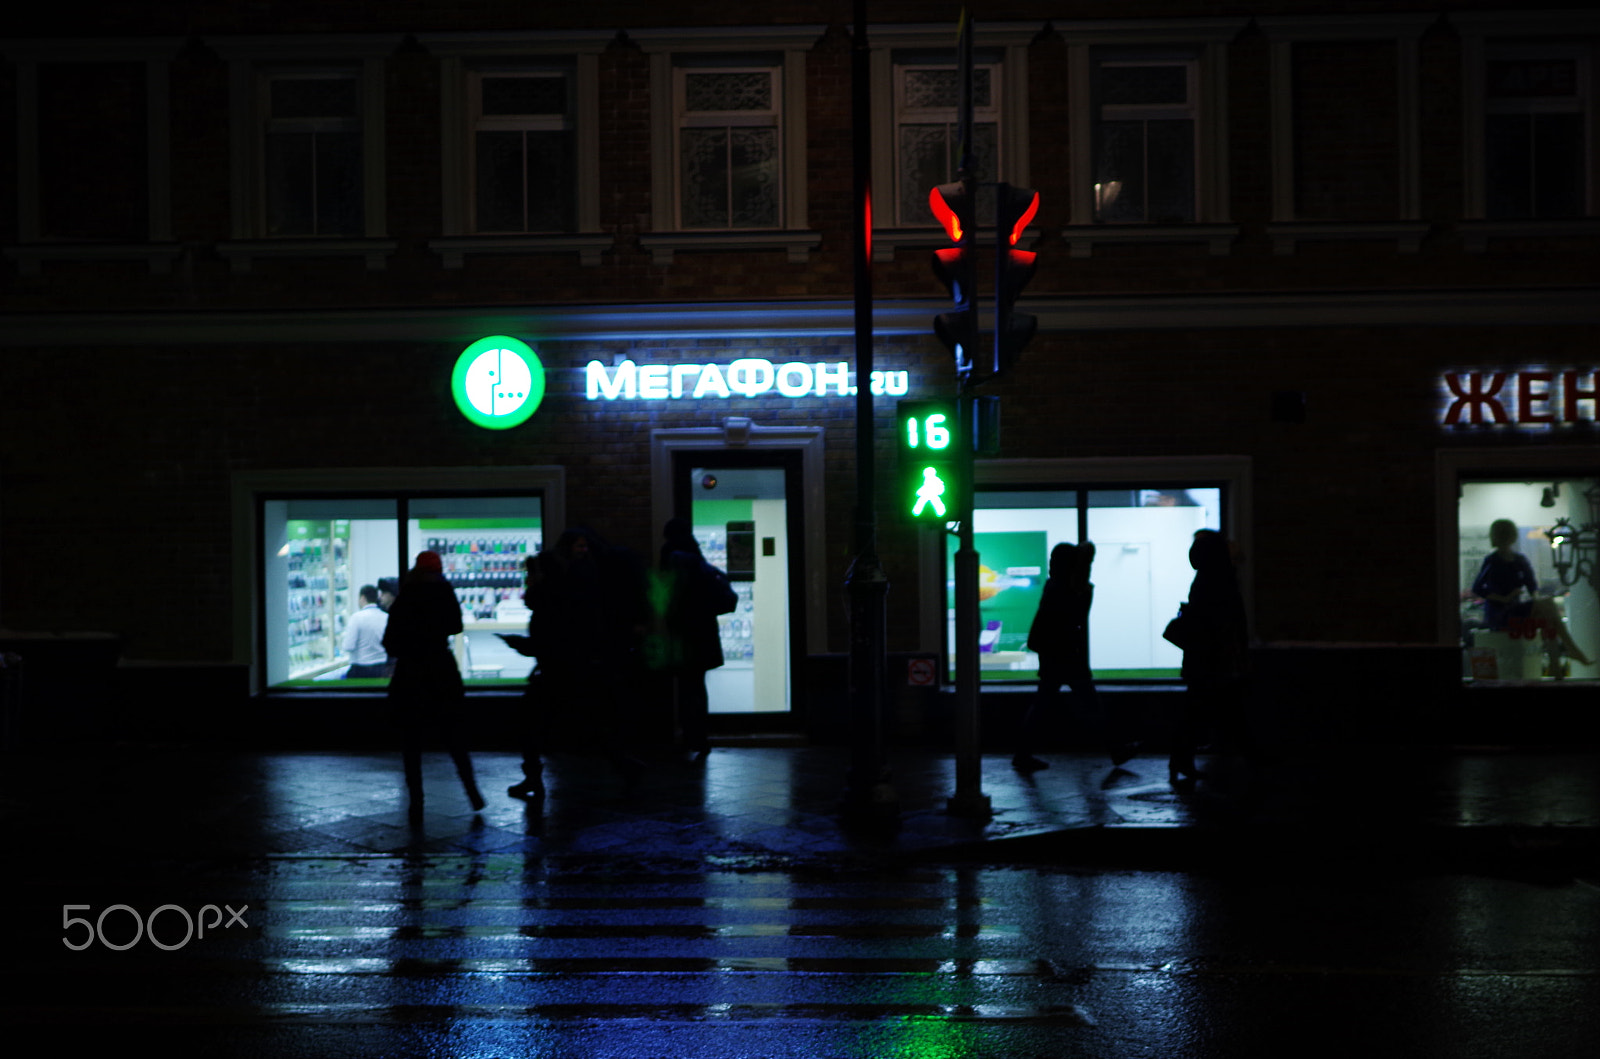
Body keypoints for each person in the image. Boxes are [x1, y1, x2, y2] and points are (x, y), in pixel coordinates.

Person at [1013, 542, 1135, 772]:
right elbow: (1077, 618)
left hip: (1057, 657)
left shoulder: (1055, 587)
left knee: (1045, 704)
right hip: (1066, 657)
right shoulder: (1065, 590)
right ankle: (1116, 750)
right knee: (1088, 704)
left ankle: (1022, 754)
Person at [382, 550, 485, 821]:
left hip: (411, 675)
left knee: (411, 742)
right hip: (441, 672)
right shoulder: (444, 591)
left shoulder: (406, 595)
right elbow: (456, 626)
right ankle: (472, 792)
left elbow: (390, 640)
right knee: (455, 738)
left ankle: (416, 800)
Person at [1169, 530, 1250, 787]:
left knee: (1197, 710)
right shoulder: (1220, 580)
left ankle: (1180, 759)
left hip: (1202, 660)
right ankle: (1250, 754)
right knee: (1224, 707)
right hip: (1215, 659)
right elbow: (1230, 621)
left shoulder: (1203, 578)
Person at [653, 518, 736, 761]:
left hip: (683, 633)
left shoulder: (673, 556)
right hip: (704, 632)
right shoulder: (696, 557)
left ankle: (689, 736)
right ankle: (700, 738)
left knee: (685, 688)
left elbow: (666, 594)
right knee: (697, 687)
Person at [1472, 519, 1593, 666]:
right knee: (1548, 609)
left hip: (1515, 610)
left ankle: (1558, 663)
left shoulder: (1519, 560)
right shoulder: (1492, 561)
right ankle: (1568, 653)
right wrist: (1504, 598)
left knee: (1548, 616)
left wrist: (1536, 602)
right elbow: (1478, 588)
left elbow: (1532, 586)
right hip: (1499, 614)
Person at [341, 584, 390, 679]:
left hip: (361, 669)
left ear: (363, 598)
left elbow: (348, 646)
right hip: (382, 668)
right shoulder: (386, 617)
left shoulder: (356, 618)